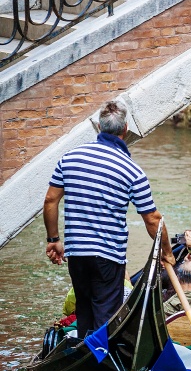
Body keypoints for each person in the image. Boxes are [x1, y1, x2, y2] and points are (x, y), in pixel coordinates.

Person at [43, 100, 174, 340]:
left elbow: (51, 200)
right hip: (108, 257)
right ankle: (99, 357)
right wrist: (167, 252)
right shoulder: (132, 170)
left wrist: (53, 240)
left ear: (98, 127)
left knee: (85, 312)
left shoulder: (69, 158)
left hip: (77, 253)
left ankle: (84, 350)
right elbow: (153, 219)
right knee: (106, 320)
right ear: (125, 129)